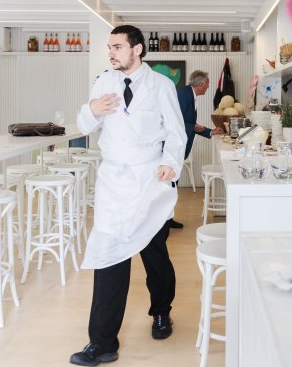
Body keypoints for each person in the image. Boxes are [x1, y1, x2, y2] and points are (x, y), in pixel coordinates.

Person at [71, 25, 186, 366]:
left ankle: (162, 312)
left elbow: (176, 134)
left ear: (137, 49)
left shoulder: (162, 86)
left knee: (155, 255)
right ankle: (102, 342)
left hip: (149, 181)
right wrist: (92, 109)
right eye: (110, 47)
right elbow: (84, 126)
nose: (111, 52)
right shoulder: (103, 81)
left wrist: (170, 164)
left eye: (118, 46)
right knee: (109, 256)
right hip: (114, 183)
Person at [169, 70, 223, 229]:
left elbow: (189, 123)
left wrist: (210, 132)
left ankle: (167, 219)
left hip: (177, 149)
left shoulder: (188, 94)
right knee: (169, 186)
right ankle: (162, 222)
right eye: (207, 83)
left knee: (172, 185)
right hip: (172, 149)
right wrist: (193, 126)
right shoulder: (184, 95)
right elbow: (173, 121)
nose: (208, 86)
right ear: (200, 84)